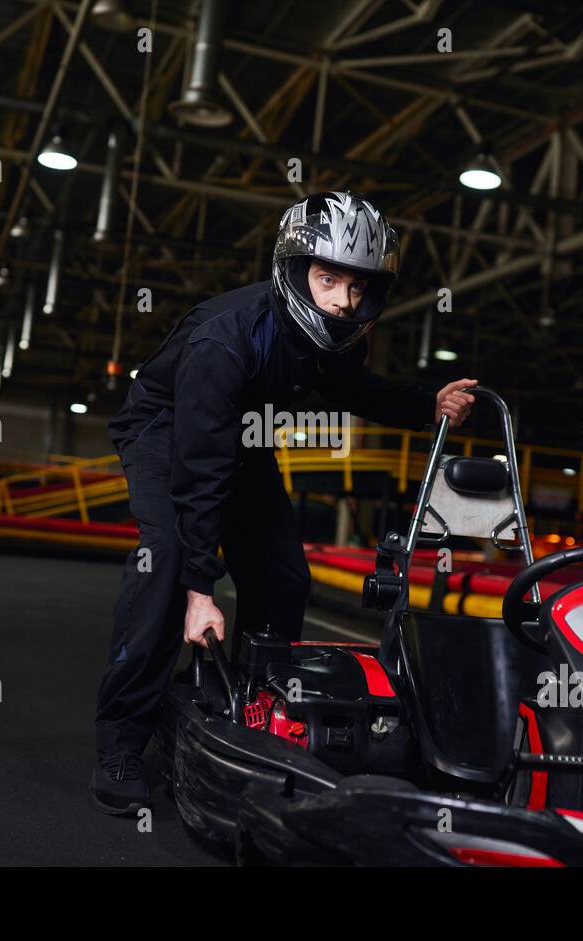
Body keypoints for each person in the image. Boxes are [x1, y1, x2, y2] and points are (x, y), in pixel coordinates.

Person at [91, 190, 476, 815]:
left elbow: (356, 392)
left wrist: (425, 402)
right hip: (169, 432)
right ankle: (121, 741)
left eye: (357, 287)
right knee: (164, 564)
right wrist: (199, 594)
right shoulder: (225, 341)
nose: (342, 302)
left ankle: (260, 715)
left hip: (242, 435)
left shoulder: (341, 342)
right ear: (294, 270)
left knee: (284, 579)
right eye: (328, 280)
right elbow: (199, 472)